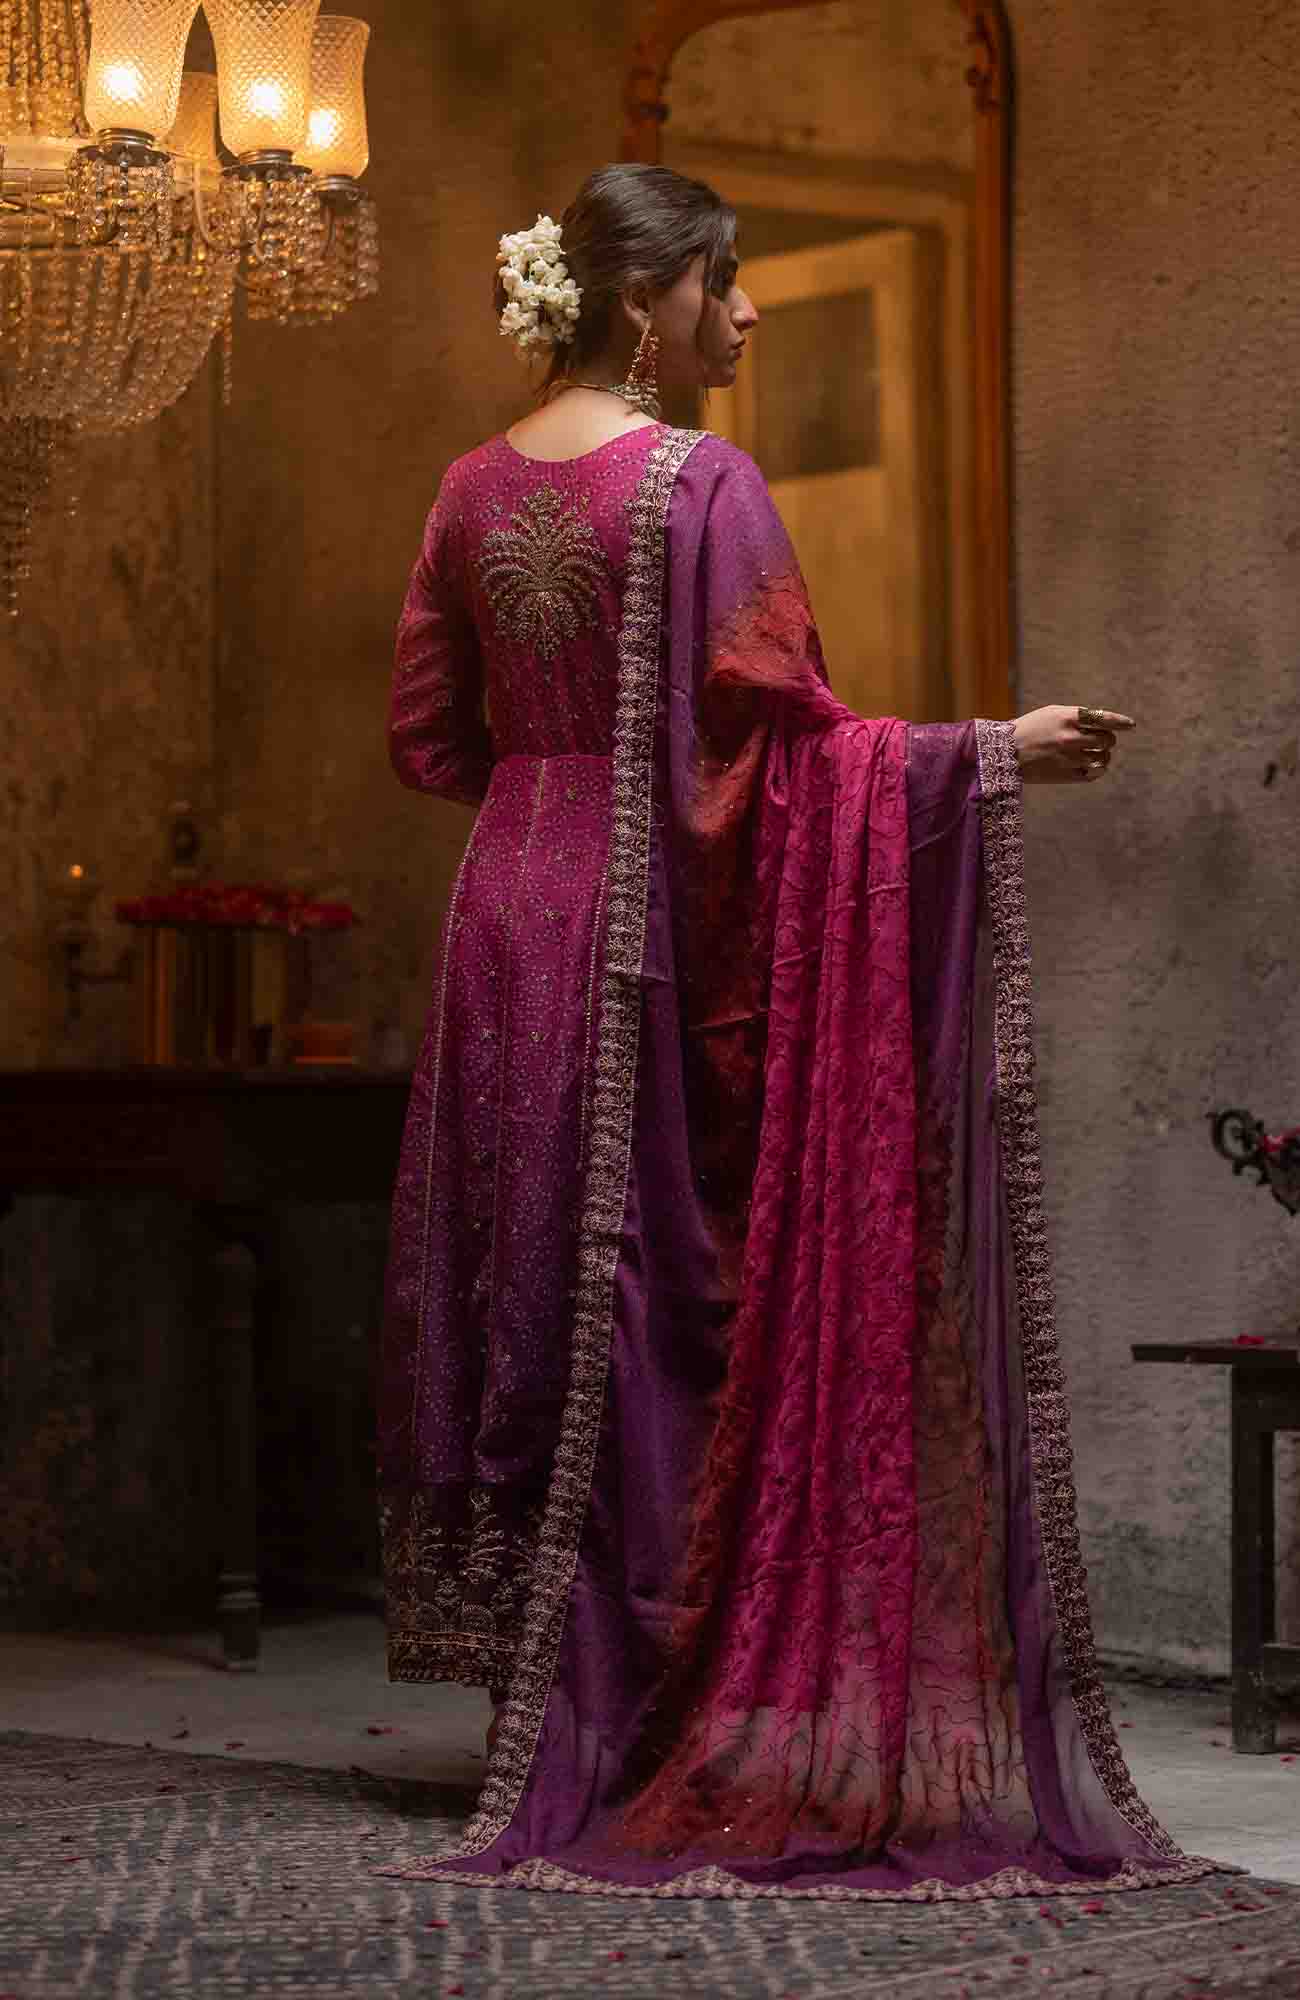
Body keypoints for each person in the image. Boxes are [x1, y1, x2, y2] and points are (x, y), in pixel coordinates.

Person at [377, 163, 1214, 1900]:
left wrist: (552, 794)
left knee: (532, 1274)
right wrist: (986, 754)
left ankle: (548, 1705)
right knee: (666, 1286)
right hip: (641, 939)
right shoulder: (702, 484)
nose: (746, 310)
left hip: (501, 922)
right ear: (643, 302)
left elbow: (430, 742)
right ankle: (648, 1714)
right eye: (723, 279)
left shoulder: (464, 485)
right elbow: (785, 745)